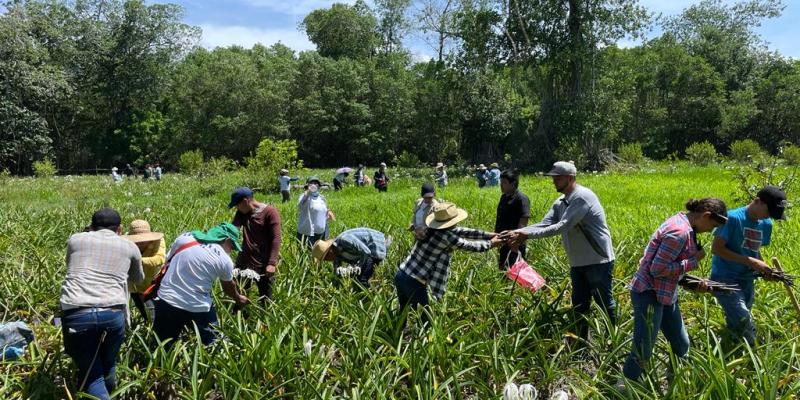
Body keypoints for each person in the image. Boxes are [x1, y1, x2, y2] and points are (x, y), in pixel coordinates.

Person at [505, 161, 616, 341]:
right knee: (579, 305)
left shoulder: (581, 197)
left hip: (598, 260)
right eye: (553, 178)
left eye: (558, 178)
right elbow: (545, 223)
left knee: (605, 303)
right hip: (578, 262)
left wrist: (525, 235)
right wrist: (518, 232)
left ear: (570, 178)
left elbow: (560, 227)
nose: (554, 181)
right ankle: (582, 343)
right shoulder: (561, 201)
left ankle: (613, 339)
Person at [621, 198, 728, 383]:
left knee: (681, 343)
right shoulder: (679, 232)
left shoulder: (686, 225)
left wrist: (695, 283)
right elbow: (657, 269)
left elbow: (670, 267)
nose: (711, 231)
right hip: (649, 293)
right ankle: (624, 388)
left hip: (665, 293)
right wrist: (693, 262)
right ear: (705, 215)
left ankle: (676, 382)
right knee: (643, 349)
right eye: (712, 226)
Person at [59, 208, 143, 400]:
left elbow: (70, 265)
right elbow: (138, 279)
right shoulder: (130, 246)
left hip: (77, 312)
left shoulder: (76, 239)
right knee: (108, 362)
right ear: (120, 228)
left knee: (92, 372)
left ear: (91, 226)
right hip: (113, 313)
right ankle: (108, 393)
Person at [395, 202, 504, 325]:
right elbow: (470, 246)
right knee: (426, 321)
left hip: (401, 274)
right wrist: (491, 243)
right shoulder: (447, 237)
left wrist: (488, 235)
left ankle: (398, 336)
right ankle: (423, 342)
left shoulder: (429, 229)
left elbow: (463, 231)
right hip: (414, 282)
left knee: (403, 313)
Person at [710, 185, 787, 347]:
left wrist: (765, 269)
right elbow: (716, 249)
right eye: (768, 211)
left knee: (737, 321)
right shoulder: (732, 218)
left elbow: (755, 250)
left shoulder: (766, 224)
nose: (768, 217)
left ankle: (731, 348)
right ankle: (754, 355)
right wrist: (749, 261)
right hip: (725, 277)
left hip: (747, 278)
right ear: (757, 201)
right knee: (744, 318)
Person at [153, 223, 250, 347]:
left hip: (166, 300)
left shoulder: (185, 237)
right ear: (227, 240)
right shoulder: (225, 260)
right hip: (197, 307)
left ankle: (160, 364)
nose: (231, 251)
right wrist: (238, 298)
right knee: (214, 343)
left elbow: (168, 260)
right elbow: (228, 287)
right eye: (232, 246)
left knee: (162, 344)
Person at [229, 187, 282, 301]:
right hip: (244, 262)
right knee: (240, 296)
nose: (237, 208)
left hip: (263, 264)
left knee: (266, 298)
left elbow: (276, 238)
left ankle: (264, 318)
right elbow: (233, 229)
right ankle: (244, 317)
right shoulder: (241, 213)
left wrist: (272, 263)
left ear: (245, 201)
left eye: (237, 205)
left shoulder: (270, 212)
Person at [312, 228, 387, 288]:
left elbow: (366, 252)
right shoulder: (336, 253)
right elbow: (336, 273)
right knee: (357, 276)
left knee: (361, 280)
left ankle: (367, 300)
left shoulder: (344, 240)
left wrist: (358, 267)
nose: (327, 261)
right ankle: (369, 291)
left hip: (374, 245)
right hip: (366, 253)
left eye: (325, 258)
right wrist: (335, 285)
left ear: (329, 252)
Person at [123, 219, 166, 322]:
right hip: (134, 284)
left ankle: (155, 333)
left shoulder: (158, 241)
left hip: (151, 284)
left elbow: (159, 259)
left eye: (143, 240)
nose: (140, 243)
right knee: (143, 311)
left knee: (153, 314)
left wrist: (136, 260)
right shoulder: (124, 242)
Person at [495, 169, 530, 270]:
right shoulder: (503, 197)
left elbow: (524, 221)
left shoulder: (521, 199)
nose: (501, 185)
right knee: (503, 270)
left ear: (513, 183)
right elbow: (499, 218)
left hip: (515, 242)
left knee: (516, 271)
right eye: (500, 182)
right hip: (503, 240)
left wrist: (516, 241)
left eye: (504, 182)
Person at [297, 177, 335, 247]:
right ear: (307, 185)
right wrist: (307, 193)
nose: (313, 185)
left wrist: (328, 212)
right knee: (308, 254)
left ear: (319, 186)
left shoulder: (322, 197)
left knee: (319, 255)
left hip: (321, 232)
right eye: (311, 183)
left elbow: (323, 210)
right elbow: (300, 206)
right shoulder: (304, 196)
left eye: (316, 183)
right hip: (307, 233)